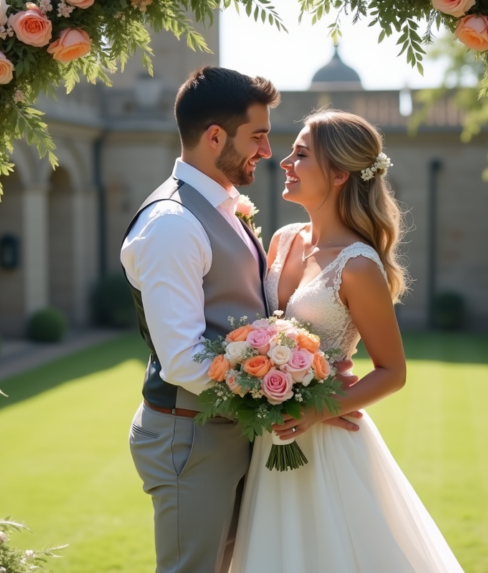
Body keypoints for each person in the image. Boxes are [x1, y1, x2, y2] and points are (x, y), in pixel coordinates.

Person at [120, 67, 360, 573]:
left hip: (224, 431)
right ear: (214, 137)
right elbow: (183, 361)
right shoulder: (173, 226)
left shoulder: (223, 207)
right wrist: (290, 395)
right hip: (190, 438)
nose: (268, 152)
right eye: (258, 136)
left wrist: (304, 372)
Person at [229, 110, 465, 573]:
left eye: (301, 154)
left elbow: (392, 371)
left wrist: (319, 407)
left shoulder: (358, 266)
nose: (284, 163)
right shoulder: (281, 240)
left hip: (324, 444)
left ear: (339, 174)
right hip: (266, 440)